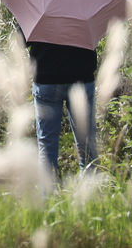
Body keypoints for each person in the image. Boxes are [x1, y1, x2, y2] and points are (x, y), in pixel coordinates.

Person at [27, 39, 98, 180]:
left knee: (47, 145)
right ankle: (90, 195)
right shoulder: (85, 14)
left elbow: (22, 39)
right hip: (81, 76)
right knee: (87, 144)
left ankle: (48, 197)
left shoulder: (38, 15)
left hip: (46, 78)